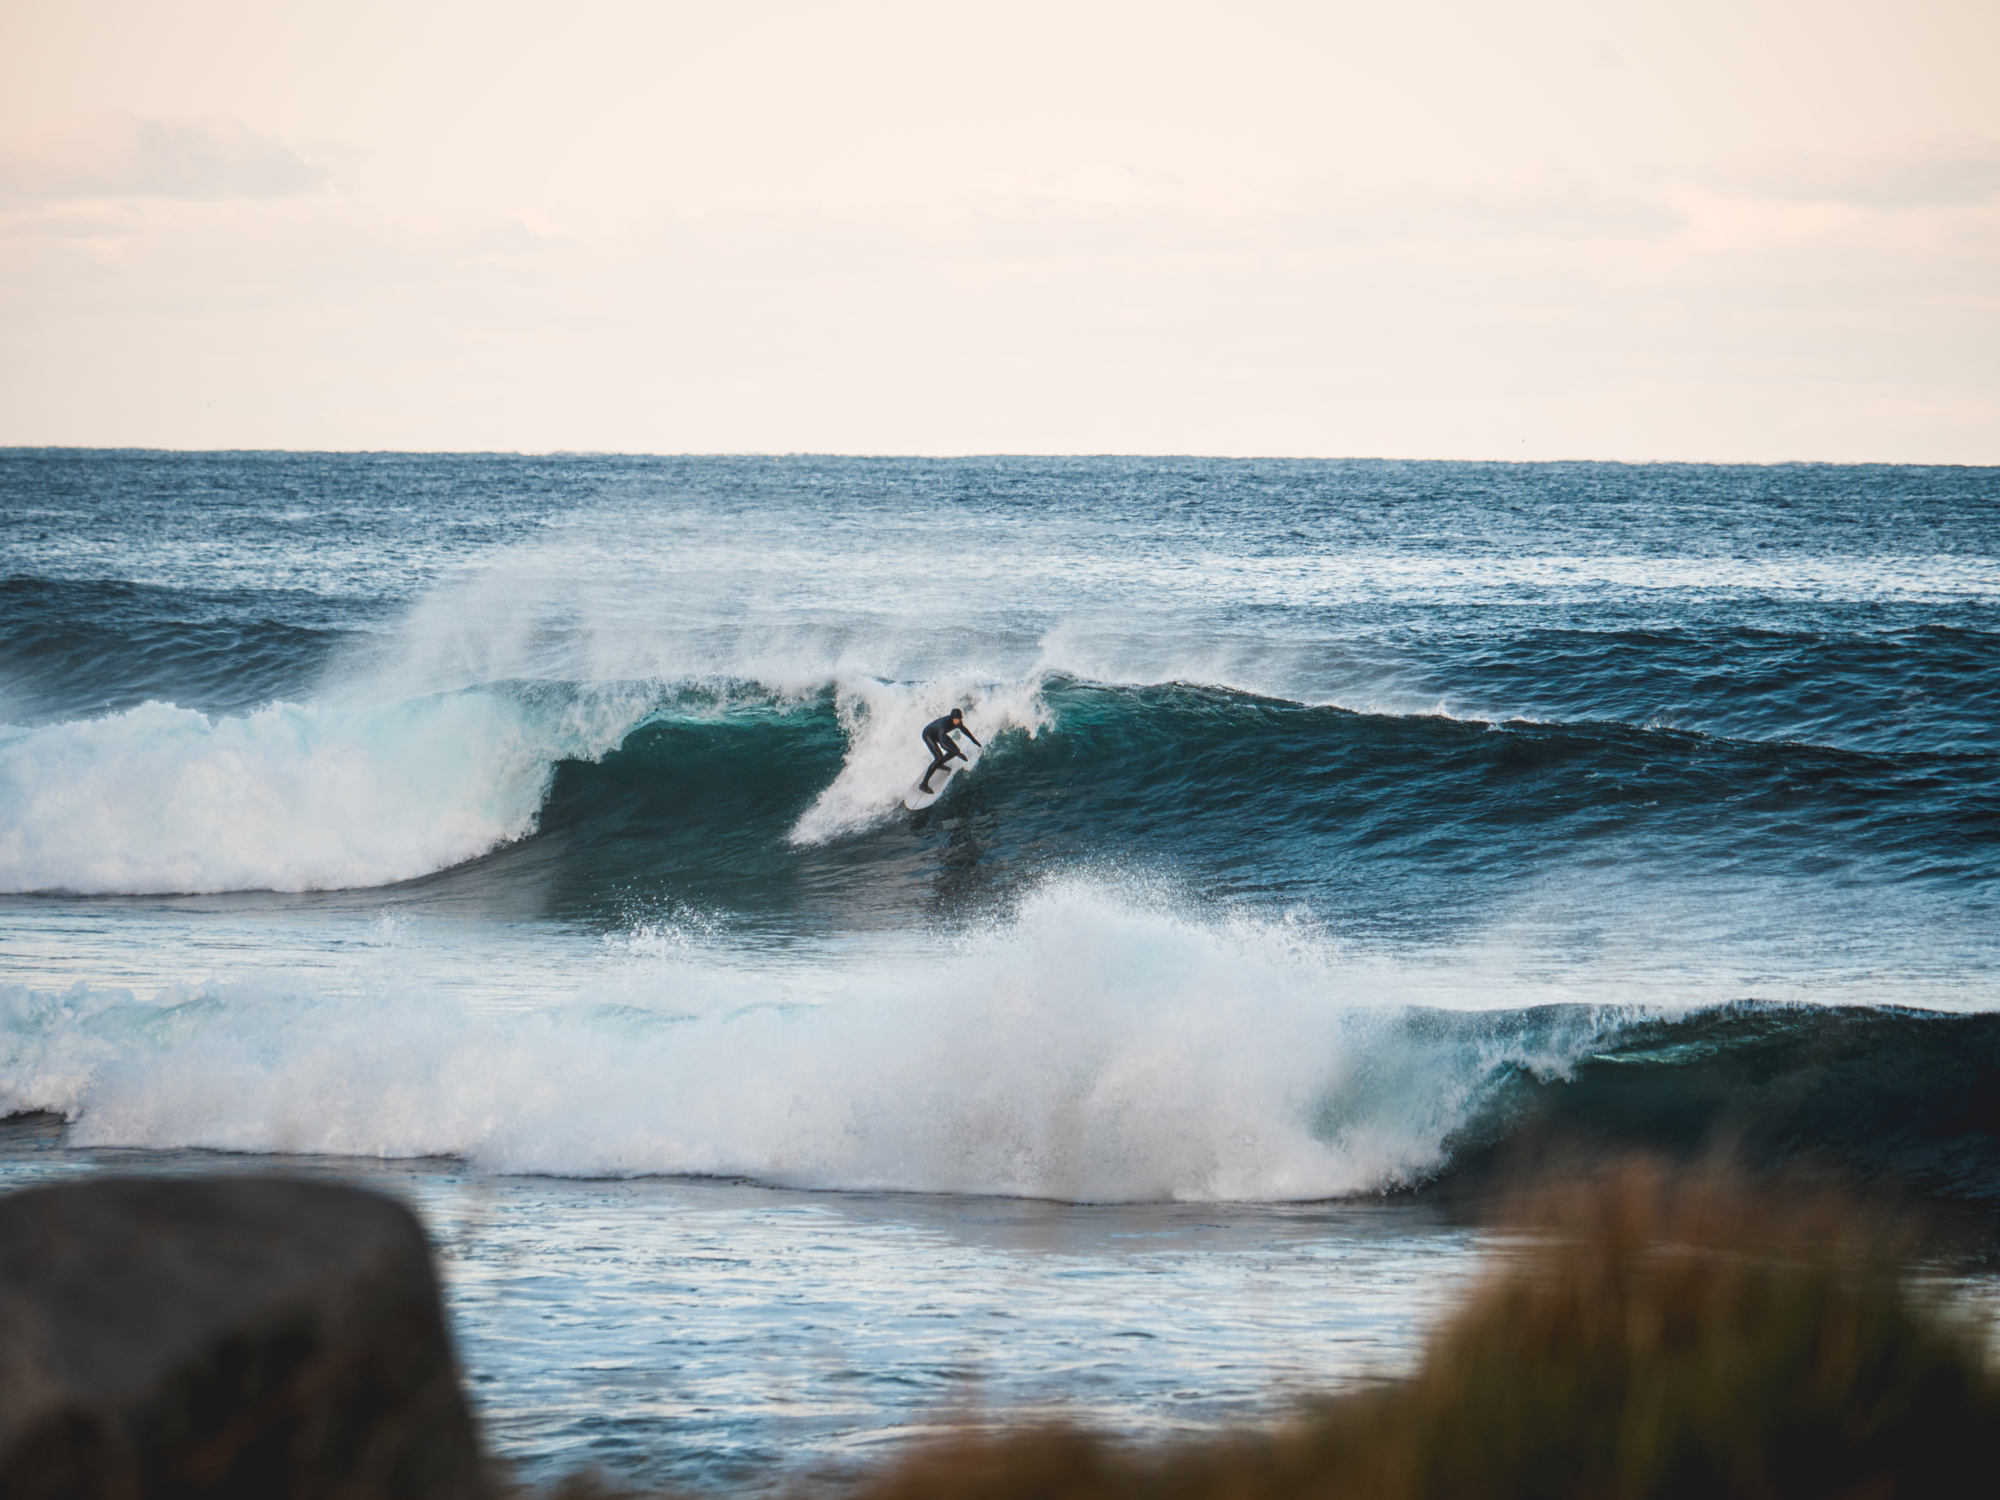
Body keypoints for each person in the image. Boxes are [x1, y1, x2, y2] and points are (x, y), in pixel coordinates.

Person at [918, 708, 981, 794]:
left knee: (955, 750)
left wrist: (973, 740)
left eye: (960, 719)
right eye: (956, 719)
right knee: (939, 757)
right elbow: (943, 744)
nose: (958, 721)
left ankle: (939, 765)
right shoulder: (944, 725)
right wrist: (958, 754)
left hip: (938, 733)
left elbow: (964, 730)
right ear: (952, 718)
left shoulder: (957, 722)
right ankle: (923, 784)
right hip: (928, 735)